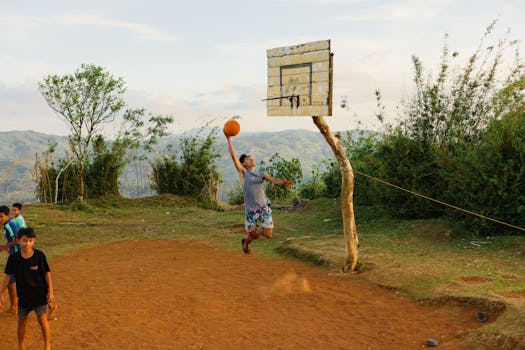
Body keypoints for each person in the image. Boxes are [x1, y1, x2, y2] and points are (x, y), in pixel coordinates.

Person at [225, 133, 293, 254]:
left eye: (251, 158)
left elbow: (273, 179)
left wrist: (284, 182)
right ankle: (245, 243)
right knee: (253, 235)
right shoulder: (243, 173)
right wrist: (228, 139)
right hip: (251, 211)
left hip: (263, 208)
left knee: (268, 235)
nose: (251, 159)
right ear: (244, 164)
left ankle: (259, 229)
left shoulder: (261, 174)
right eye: (248, 159)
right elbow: (233, 156)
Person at [0, 227, 54, 350]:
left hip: (39, 295)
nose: (27, 244)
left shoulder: (39, 255)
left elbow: (47, 274)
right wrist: (1, 293)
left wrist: (51, 292)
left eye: (30, 240)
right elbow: (7, 277)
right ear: (18, 241)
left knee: (42, 320)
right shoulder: (13, 258)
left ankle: (47, 345)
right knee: (21, 322)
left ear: (34, 240)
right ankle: (21, 346)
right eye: (24, 240)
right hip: (23, 296)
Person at [0, 205, 20, 314]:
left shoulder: (10, 224)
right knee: (10, 281)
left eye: (1, 216)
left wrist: (5, 247)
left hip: (19, 257)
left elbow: (18, 239)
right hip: (14, 256)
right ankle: (13, 307)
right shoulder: (5, 225)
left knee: (29, 282)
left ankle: (50, 304)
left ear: (7, 216)